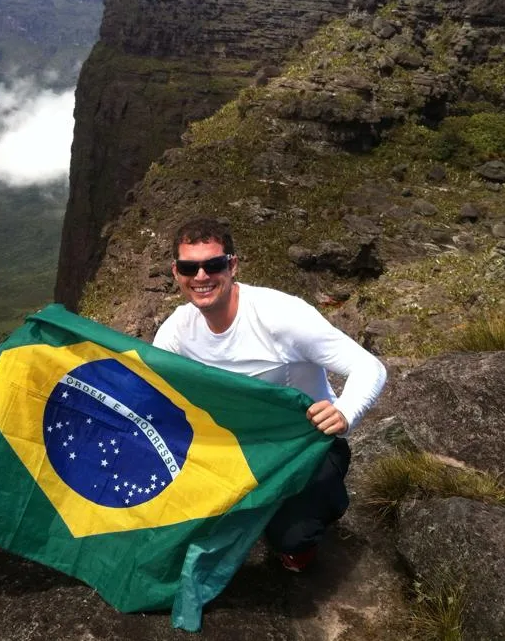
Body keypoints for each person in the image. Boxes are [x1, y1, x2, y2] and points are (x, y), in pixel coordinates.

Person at [152, 217, 386, 572]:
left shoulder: (280, 316)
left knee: (292, 539)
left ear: (232, 265)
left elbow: (369, 367)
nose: (201, 277)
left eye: (213, 264)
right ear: (176, 271)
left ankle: (315, 511)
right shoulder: (176, 333)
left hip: (304, 446)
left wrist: (344, 413)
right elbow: (154, 394)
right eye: (189, 267)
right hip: (235, 450)